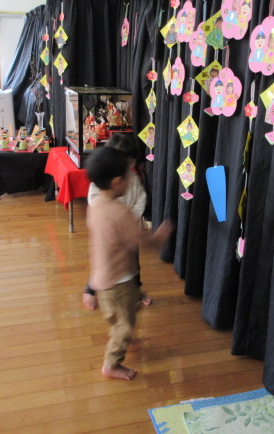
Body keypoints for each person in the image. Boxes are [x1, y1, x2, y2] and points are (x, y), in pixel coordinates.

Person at [84, 146, 174, 380]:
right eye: (128, 177)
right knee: (124, 324)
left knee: (122, 313)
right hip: (119, 281)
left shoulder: (95, 206)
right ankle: (111, 364)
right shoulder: (120, 211)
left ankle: (123, 333)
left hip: (102, 279)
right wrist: (160, 236)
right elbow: (141, 241)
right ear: (117, 182)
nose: (131, 181)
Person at [86, 133, 150, 310]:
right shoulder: (102, 181)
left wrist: (129, 217)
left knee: (133, 264)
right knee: (103, 263)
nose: (128, 167)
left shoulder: (133, 179)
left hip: (129, 231)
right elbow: (93, 199)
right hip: (108, 233)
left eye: (131, 161)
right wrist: (112, 214)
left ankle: (136, 291)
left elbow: (141, 199)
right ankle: (91, 290)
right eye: (124, 161)